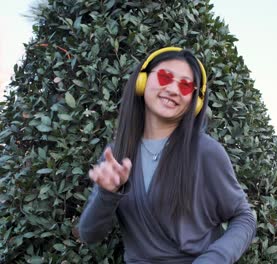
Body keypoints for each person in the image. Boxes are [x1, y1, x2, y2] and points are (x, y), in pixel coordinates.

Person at [78, 47, 256, 263]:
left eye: (185, 85)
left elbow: (244, 217)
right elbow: (90, 235)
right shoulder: (116, 155)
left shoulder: (206, 152)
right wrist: (108, 194)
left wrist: (214, 259)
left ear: (195, 100)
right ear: (142, 81)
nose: (173, 89)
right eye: (164, 77)